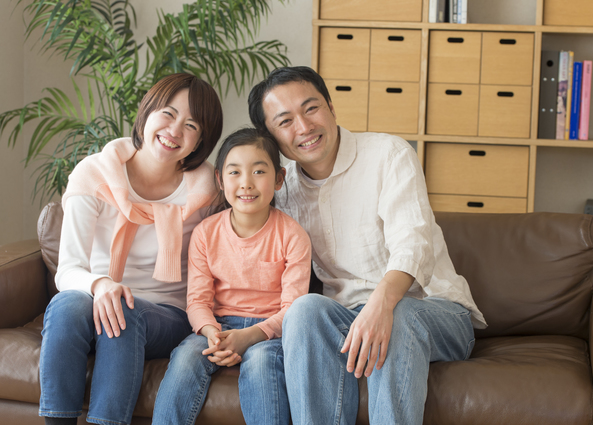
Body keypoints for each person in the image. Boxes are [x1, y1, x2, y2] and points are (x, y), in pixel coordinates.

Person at [247, 66, 487, 424]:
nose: (304, 127)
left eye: (311, 108)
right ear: (271, 137)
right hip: (348, 317)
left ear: (331, 107)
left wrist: (382, 303)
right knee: (304, 310)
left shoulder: (389, 153)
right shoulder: (284, 189)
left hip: (433, 309)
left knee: (399, 314)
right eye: (285, 121)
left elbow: (412, 242)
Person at [38, 73, 223, 425]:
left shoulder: (208, 189)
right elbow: (68, 270)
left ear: (201, 141)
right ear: (147, 112)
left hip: (168, 314)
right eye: (168, 114)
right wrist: (101, 284)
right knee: (65, 305)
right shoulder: (94, 174)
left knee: (124, 310)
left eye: (191, 125)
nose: (174, 131)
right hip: (96, 298)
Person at [152, 127, 312, 425]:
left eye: (259, 171)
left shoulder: (293, 236)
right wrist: (212, 333)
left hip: (269, 331)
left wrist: (249, 337)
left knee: (262, 364)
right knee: (186, 358)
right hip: (218, 326)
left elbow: (293, 310)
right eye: (235, 172)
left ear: (279, 179)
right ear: (220, 179)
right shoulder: (205, 233)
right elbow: (197, 301)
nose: (246, 183)